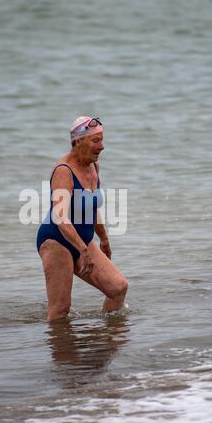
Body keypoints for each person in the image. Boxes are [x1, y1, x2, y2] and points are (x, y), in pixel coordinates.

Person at [36, 116, 128, 322]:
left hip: (82, 242)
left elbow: (91, 205)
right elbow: (59, 217)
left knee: (118, 288)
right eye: (96, 141)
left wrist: (103, 238)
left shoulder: (94, 167)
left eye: (102, 140)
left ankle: (104, 342)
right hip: (56, 241)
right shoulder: (64, 171)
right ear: (78, 142)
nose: (102, 147)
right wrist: (83, 250)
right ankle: (63, 352)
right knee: (60, 311)